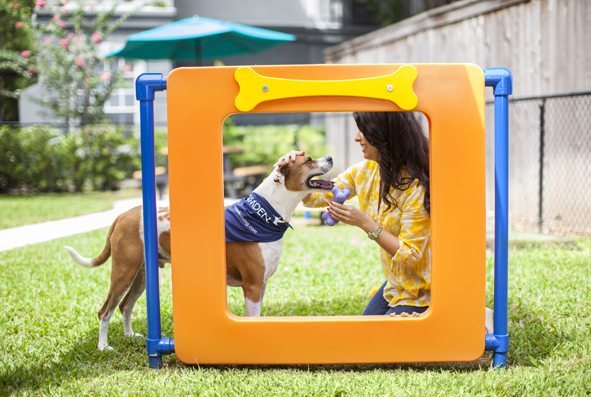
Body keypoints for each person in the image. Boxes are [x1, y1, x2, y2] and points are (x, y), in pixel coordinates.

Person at [276, 112, 431, 316]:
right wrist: (293, 170)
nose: (357, 137)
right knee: (364, 334)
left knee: (376, 343)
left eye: (364, 131)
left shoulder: (414, 187)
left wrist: (366, 224)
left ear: (384, 135)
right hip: (396, 285)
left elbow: (411, 256)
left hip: (424, 290)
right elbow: (315, 198)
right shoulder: (365, 171)